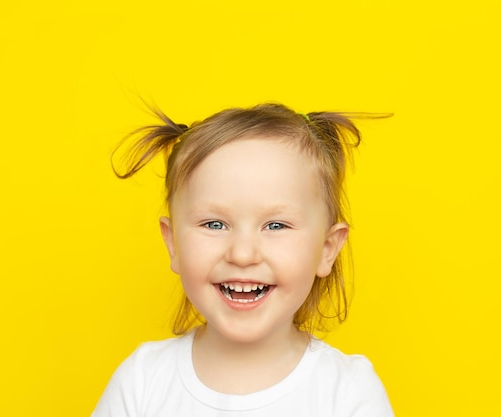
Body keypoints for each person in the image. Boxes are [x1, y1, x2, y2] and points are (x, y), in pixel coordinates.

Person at [92, 103, 394, 416]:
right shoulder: (142, 381)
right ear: (173, 245)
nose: (242, 253)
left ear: (327, 249)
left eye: (276, 225)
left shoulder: (347, 392)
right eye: (214, 224)